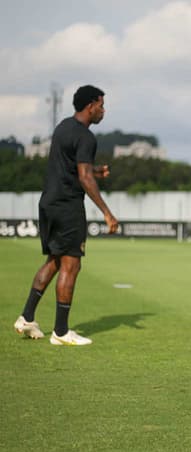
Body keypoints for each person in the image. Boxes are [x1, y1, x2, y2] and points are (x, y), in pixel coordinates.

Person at [14, 85, 119, 345]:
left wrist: (94, 171)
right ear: (91, 105)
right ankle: (61, 332)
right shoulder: (86, 137)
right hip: (67, 206)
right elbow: (82, 177)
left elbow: (71, 168)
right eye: (101, 105)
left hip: (49, 203)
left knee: (55, 261)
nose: (103, 111)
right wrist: (107, 213)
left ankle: (27, 318)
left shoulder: (62, 127)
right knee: (71, 264)